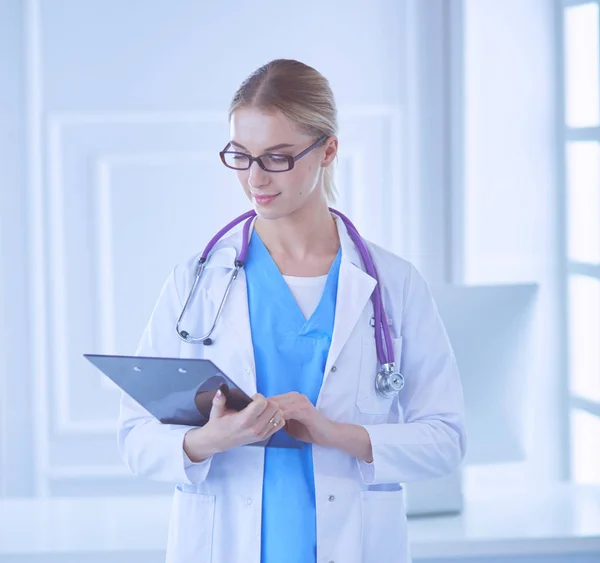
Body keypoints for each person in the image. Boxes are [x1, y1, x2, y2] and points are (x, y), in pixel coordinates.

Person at [117, 58, 466, 563]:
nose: (255, 177)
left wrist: (336, 434)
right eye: (241, 155)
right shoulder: (197, 282)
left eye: (278, 158)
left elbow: (445, 440)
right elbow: (135, 438)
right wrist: (208, 440)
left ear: (328, 150)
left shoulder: (394, 284)